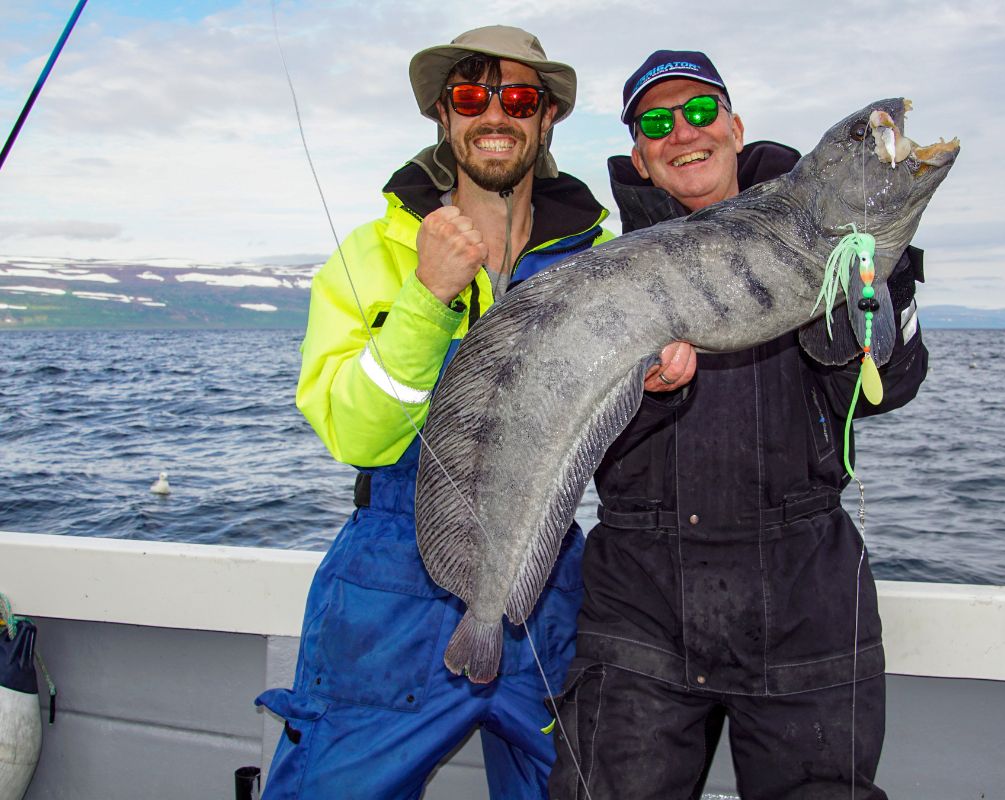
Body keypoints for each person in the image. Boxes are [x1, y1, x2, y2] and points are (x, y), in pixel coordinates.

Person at [548, 51, 928, 799]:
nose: (682, 132)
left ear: (734, 125)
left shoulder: (835, 236)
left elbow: (892, 387)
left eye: (699, 112)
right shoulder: (597, 269)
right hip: (639, 610)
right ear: (638, 154)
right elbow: (572, 437)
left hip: (806, 602)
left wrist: (882, 284)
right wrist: (647, 394)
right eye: (657, 121)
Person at [255, 26, 611, 800]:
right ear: (443, 118)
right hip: (386, 591)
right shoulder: (370, 254)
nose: (495, 114)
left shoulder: (599, 262)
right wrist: (426, 299)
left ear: (546, 118)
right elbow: (353, 433)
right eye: (470, 97)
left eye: (518, 98)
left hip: (545, 584)